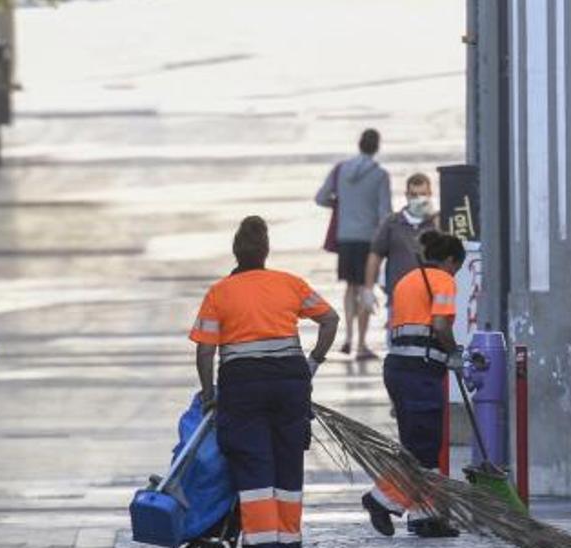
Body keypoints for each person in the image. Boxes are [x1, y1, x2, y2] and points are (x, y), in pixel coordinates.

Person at [191, 216, 340, 547]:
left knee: (253, 458)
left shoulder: (220, 292)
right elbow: (330, 320)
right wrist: (314, 360)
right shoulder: (289, 283)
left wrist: (208, 395)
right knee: (288, 458)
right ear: (265, 251)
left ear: (236, 253)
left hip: (242, 387)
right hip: (290, 383)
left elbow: (205, 352)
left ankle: (262, 541)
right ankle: (288, 539)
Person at [360, 231, 465, 539]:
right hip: (420, 372)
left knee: (420, 449)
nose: (455, 273)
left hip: (398, 368)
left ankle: (425, 517)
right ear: (449, 261)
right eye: (457, 267)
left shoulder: (407, 279)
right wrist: (454, 352)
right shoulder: (443, 280)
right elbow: (441, 325)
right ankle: (381, 499)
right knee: (423, 450)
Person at [315, 129, 391, 361]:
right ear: (376, 147)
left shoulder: (341, 169)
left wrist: (340, 204)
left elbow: (321, 197)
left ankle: (347, 336)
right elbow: (384, 212)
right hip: (369, 238)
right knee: (365, 288)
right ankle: (362, 343)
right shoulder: (380, 175)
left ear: (359, 145)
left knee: (350, 287)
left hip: (345, 237)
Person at [362, 173, 439, 329]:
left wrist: (434, 219)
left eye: (423, 194)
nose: (418, 199)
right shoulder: (392, 222)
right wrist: (368, 289)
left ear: (430, 195)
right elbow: (375, 255)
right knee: (398, 342)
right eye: (414, 195)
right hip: (399, 297)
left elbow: (451, 249)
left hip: (432, 298)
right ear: (406, 196)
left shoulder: (437, 221)